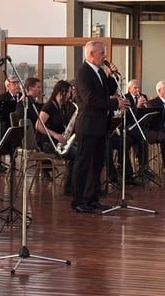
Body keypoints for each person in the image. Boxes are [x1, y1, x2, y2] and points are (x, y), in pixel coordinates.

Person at [71, 40, 128, 213]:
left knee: (97, 163)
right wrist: (115, 105)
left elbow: (109, 90)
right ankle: (78, 200)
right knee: (84, 163)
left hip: (101, 125)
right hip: (88, 125)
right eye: (102, 53)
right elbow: (90, 99)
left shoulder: (99, 72)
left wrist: (112, 75)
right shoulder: (83, 73)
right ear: (91, 54)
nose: (105, 56)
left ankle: (92, 197)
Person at [36, 79, 77, 195]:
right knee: (76, 154)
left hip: (59, 141)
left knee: (81, 150)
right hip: (48, 143)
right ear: (61, 92)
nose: (70, 95)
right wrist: (55, 135)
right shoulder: (48, 106)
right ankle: (70, 188)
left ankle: (75, 185)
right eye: (68, 92)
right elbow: (38, 125)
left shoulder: (63, 107)